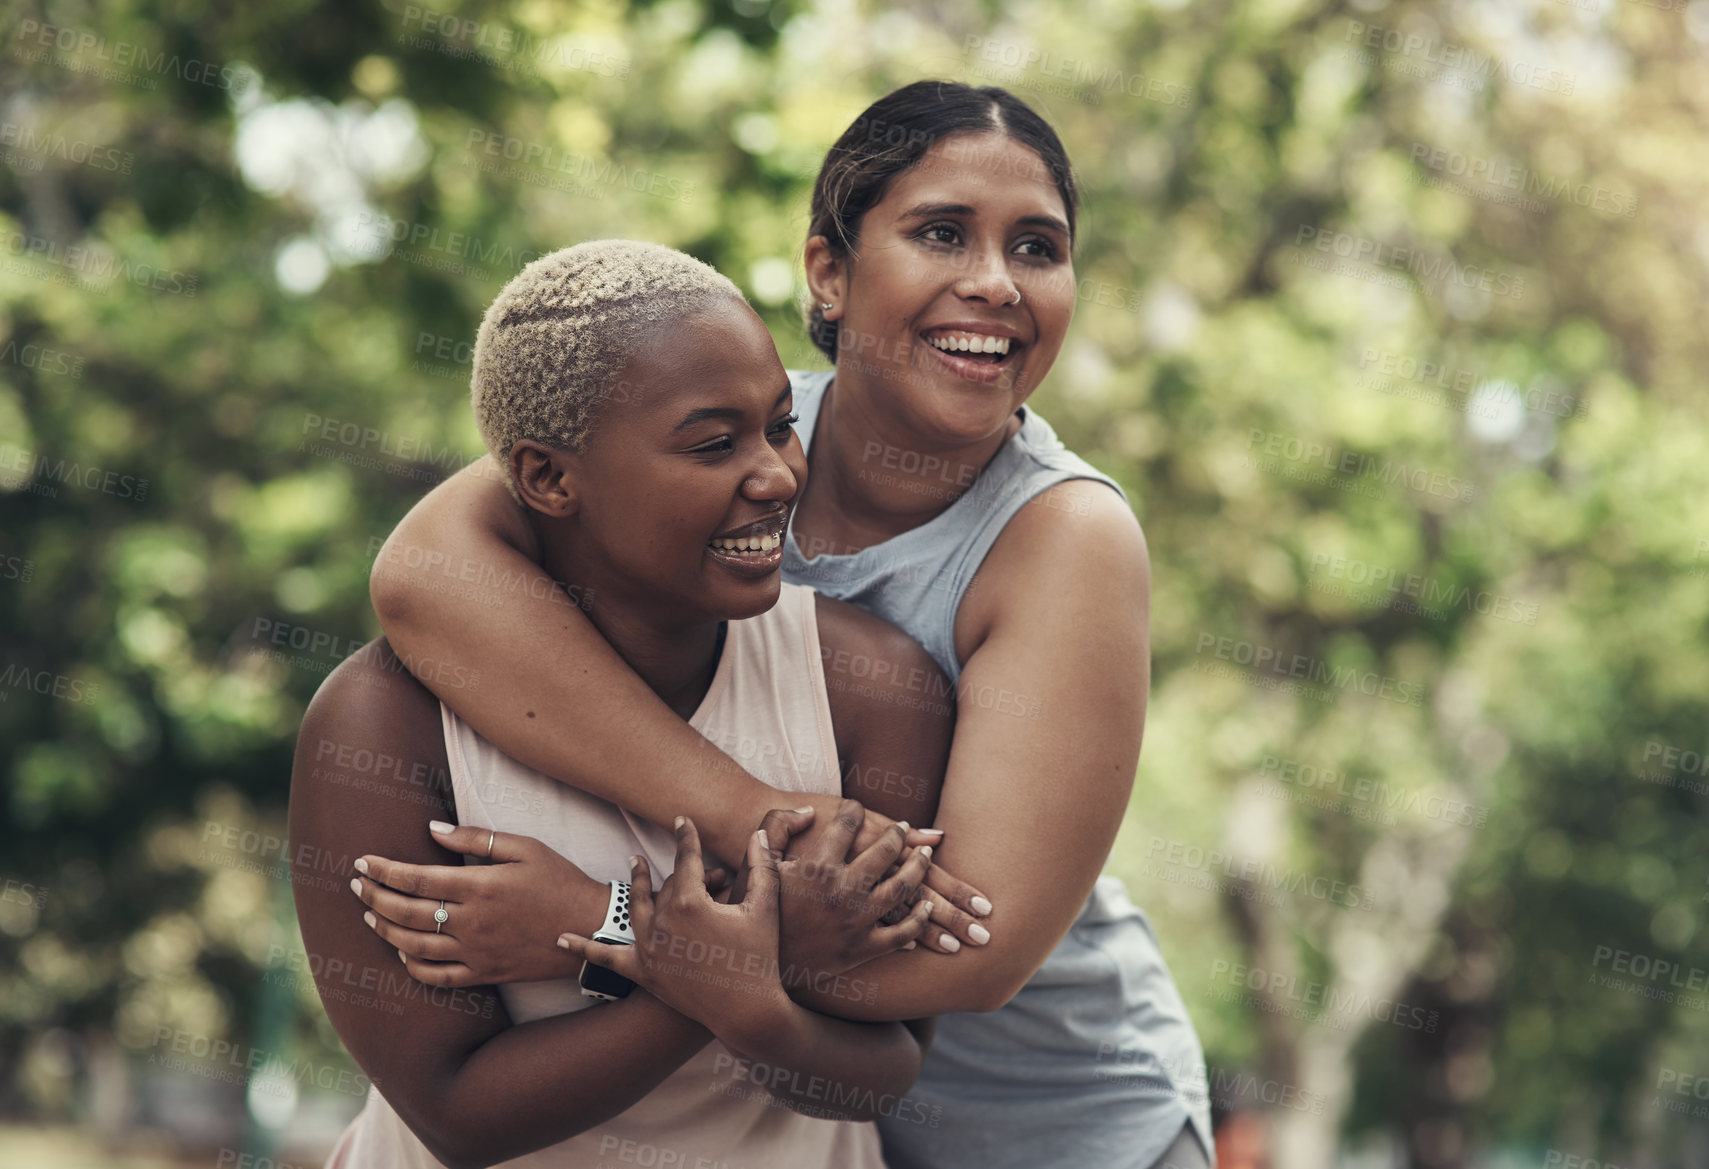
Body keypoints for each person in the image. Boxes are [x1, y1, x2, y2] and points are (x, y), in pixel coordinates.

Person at [363, 82, 1215, 1168]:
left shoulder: (1065, 536)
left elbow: (969, 959)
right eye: (941, 232)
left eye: (1037, 247)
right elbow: (426, 575)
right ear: (828, 270)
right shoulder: (722, 428)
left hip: (1056, 1125)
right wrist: (773, 820)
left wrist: (602, 919)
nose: (995, 282)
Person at [290, 239, 970, 1168]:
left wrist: (623, 937)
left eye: (778, 424)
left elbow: (880, 1071)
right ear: (548, 478)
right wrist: (732, 967)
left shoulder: (868, 689)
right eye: (712, 443)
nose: (776, 475)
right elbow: (458, 1110)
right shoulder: (385, 721)